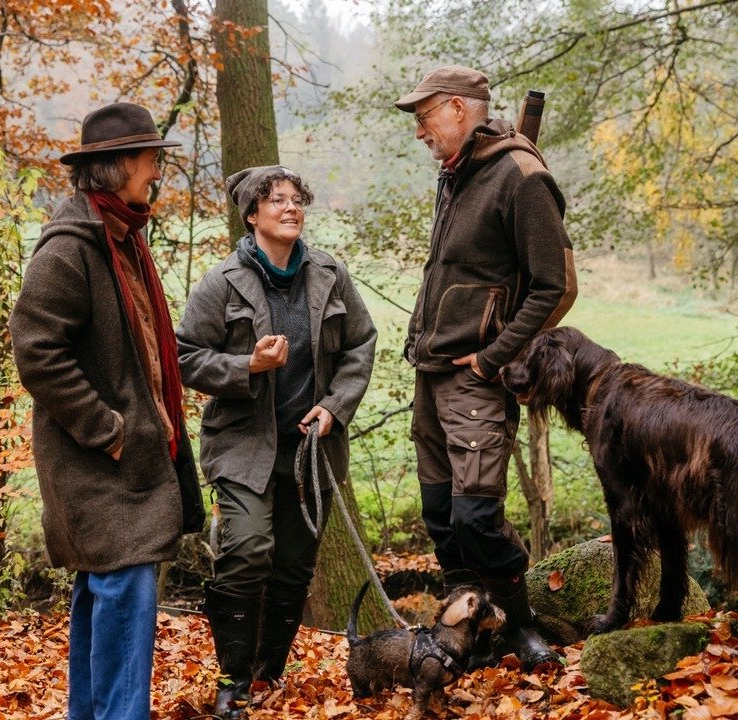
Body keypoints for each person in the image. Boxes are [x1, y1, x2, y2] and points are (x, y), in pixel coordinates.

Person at [9, 102, 204, 720]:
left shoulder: (122, 238)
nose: (157, 173)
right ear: (118, 166)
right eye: (149, 160)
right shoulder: (70, 250)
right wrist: (110, 431)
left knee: (107, 593)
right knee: (124, 588)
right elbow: (36, 352)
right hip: (97, 463)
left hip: (126, 459)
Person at [176, 165, 376, 720]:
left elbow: (361, 343)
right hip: (243, 446)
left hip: (312, 451)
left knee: (293, 566)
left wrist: (335, 406)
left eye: (296, 200)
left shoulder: (330, 274)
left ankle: (267, 673)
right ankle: (232, 681)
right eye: (277, 200)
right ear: (251, 215)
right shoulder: (222, 282)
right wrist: (248, 365)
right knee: (246, 551)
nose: (291, 209)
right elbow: (186, 356)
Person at [394, 65, 577, 669]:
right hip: (431, 370)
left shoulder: (521, 175)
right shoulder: (456, 174)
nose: (419, 131)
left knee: (476, 516)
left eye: (424, 117)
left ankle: (521, 625)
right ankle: (466, 634)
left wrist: (496, 356)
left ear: (456, 108)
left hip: (476, 376)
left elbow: (554, 286)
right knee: (441, 516)